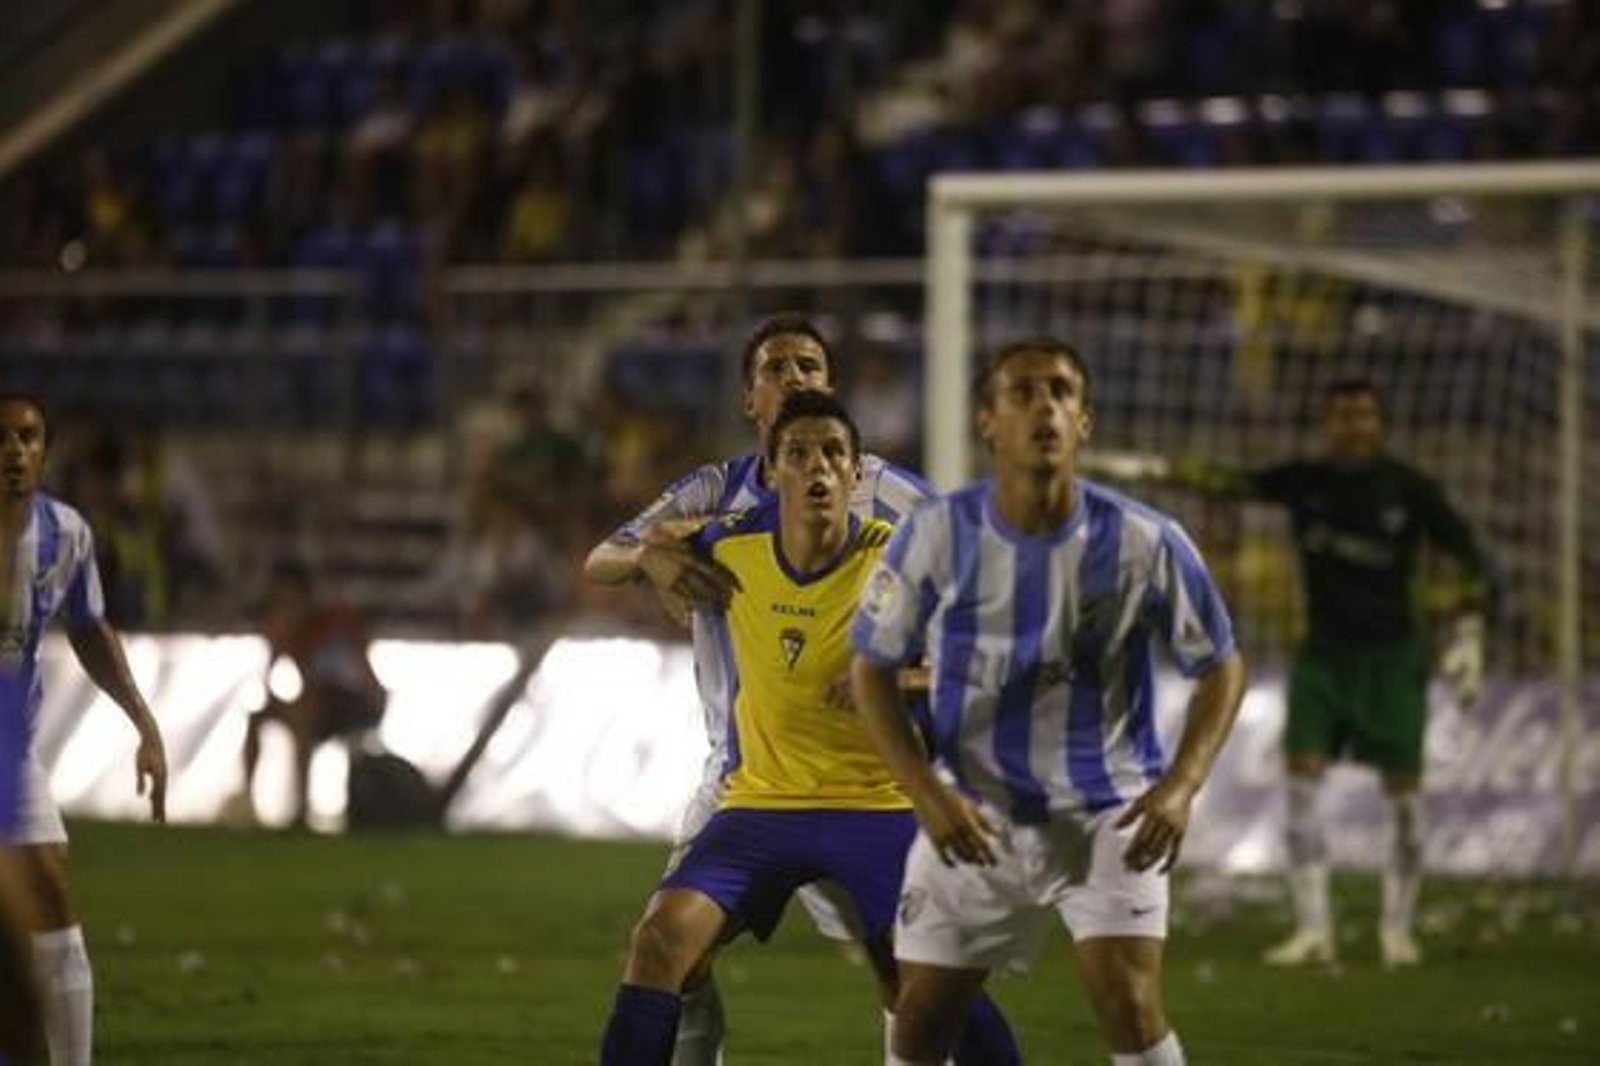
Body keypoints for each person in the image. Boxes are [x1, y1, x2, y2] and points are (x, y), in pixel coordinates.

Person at [587, 314, 1012, 1064]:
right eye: (777, 369)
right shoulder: (717, 504)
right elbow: (604, 558)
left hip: (871, 779)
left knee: (911, 981)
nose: (795, 379)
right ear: (751, 398)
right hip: (742, 777)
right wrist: (652, 560)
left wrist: (900, 678)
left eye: (810, 366)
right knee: (671, 955)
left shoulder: (894, 508)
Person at [850, 339, 1247, 1065]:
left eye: (1062, 392)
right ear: (987, 422)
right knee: (921, 1021)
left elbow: (1221, 666)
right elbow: (870, 670)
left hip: (1110, 815)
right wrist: (927, 797)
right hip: (974, 817)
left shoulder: (1144, 541)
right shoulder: (936, 534)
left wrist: (1182, 786)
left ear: (1084, 422)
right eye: (1024, 392)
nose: (1046, 407)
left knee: (1131, 1007)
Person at [1111, 378, 1493, 968]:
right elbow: (1232, 484)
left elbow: (1473, 562)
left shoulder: (1410, 491)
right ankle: (1313, 928)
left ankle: (1398, 929)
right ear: (1327, 424)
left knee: (1406, 802)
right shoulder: (1306, 483)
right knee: (1300, 786)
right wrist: (1156, 467)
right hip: (1322, 656)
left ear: (1380, 424)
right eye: (1341, 415)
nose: (1352, 426)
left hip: (1394, 659)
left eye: (1363, 415)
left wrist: (1468, 630)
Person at [0, 392, 168, 1065]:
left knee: (51, 896)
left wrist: (145, 724)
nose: (12, 451)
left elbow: (90, 630)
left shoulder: (65, 534)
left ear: (45, 451)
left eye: (27, 437)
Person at [238, 560, 387, 829]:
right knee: (260, 716)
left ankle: (302, 810)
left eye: (291, 600)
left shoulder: (333, 622)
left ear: (305, 598)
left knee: (302, 714)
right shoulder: (292, 634)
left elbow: (358, 673)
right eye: (280, 601)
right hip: (318, 705)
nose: (286, 608)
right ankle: (246, 802)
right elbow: (271, 682)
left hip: (355, 702)